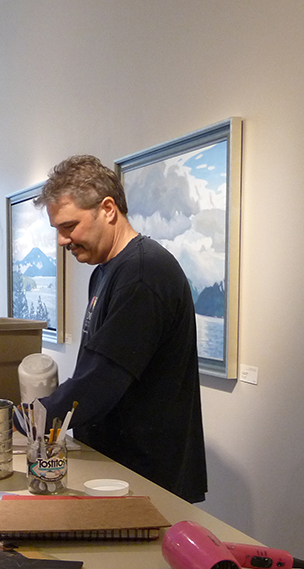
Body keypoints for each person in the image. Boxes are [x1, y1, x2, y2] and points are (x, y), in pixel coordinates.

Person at [33, 155, 207, 503]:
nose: (62, 241)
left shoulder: (144, 274)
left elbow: (103, 377)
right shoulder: (105, 271)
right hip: (114, 467)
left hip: (146, 476)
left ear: (108, 209)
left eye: (69, 226)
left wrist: (31, 418)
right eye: (57, 230)